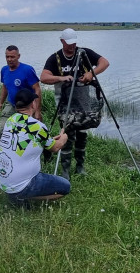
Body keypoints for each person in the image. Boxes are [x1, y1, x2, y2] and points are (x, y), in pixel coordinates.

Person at [40, 27, 109, 178]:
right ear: (62, 41)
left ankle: (80, 166)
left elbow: (104, 62)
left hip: (84, 102)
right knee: (67, 134)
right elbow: (43, 77)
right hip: (64, 103)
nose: (72, 46)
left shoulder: (84, 53)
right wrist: (61, 78)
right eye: (68, 43)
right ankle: (65, 170)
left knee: (82, 134)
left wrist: (91, 73)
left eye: (74, 43)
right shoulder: (55, 58)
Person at [0, 87, 70, 205]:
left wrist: (50, 140)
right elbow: (55, 148)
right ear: (33, 104)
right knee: (65, 186)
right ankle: (22, 197)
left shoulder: (10, 120)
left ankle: (16, 194)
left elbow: (27, 140)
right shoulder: (37, 126)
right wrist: (64, 137)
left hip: (2, 180)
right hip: (21, 184)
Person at [0, 45, 42, 158]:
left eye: (12, 57)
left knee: (32, 132)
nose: (9, 59)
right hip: (11, 104)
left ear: (18, 56)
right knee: (0, 132)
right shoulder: (4, 70)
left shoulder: (27, 70)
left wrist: (37, 110)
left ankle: (43, 155)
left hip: (27, 106)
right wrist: (0, 102)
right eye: (7, 57)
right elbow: (5, 87)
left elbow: (37, 89)